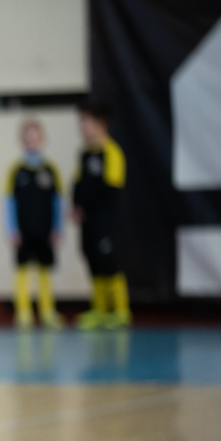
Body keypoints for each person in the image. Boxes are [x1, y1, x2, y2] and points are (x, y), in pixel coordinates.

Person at [72, 101, 130, 330]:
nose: (82, 127)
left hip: (106, 219)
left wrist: (98, 213)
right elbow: (78, 184)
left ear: (100, 124)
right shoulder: (84, 154)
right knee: (93, 260)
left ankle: (121, 311)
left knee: (109, 262)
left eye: (85, 121)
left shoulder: (111, 152)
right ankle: (100, 310)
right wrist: (77, 206)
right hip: (88, 220)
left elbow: (111, 190)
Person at [5, 120, 64, 330]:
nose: (32, 143)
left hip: (45, 231)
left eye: (36, 138)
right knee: (22, 269)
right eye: (28, 139)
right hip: (23, 231)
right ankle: (23, 312)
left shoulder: (50, 170)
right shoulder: (16, 171)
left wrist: (58, 228)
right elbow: (8, 202)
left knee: (44, 270)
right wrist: (11, 229)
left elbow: (58, 201)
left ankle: (47, 311)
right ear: (22, 142)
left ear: (42, 140)